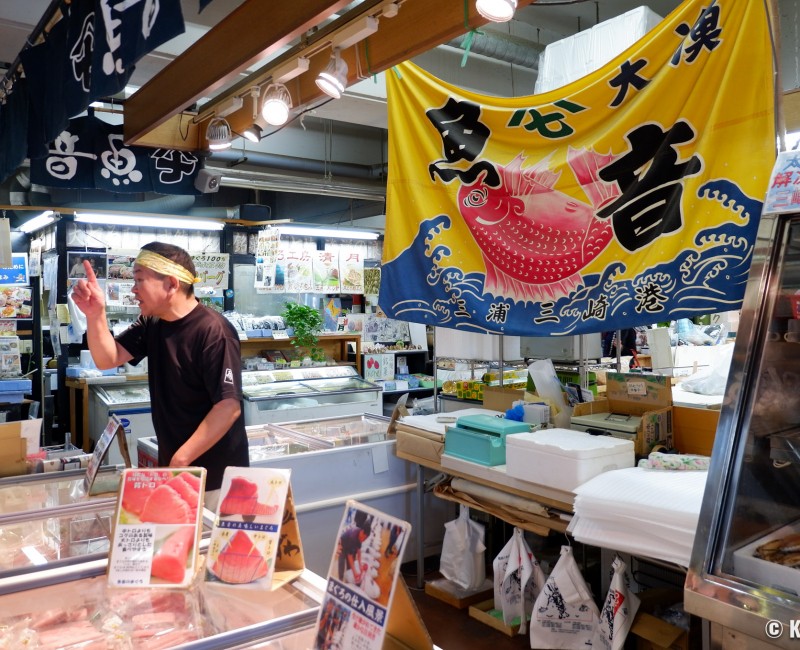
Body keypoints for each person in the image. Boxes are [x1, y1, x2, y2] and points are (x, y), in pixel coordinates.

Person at [71, 242, 249, 507]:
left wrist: (180, 459)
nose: (133, 289)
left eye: (139, 280)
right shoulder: (152, 322)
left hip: (217, 479)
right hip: (179, 470)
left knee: (208, 535)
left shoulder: (214, 332)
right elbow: (108, 358)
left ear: (171, 284)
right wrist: (95, 314)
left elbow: (228, 406)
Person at [337, 518, 371, 586]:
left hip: (349, 546)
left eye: (365, 539)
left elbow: (359, 552)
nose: (363, 540)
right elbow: (350, 556)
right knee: (342, 563)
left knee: (350, 567)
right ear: (362, 531)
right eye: (364, 538)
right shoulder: (353, 537)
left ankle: (348, 580)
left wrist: (360, 565)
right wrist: (355, 572)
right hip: (343, 545)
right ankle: (340, 580)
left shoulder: (360, 537)